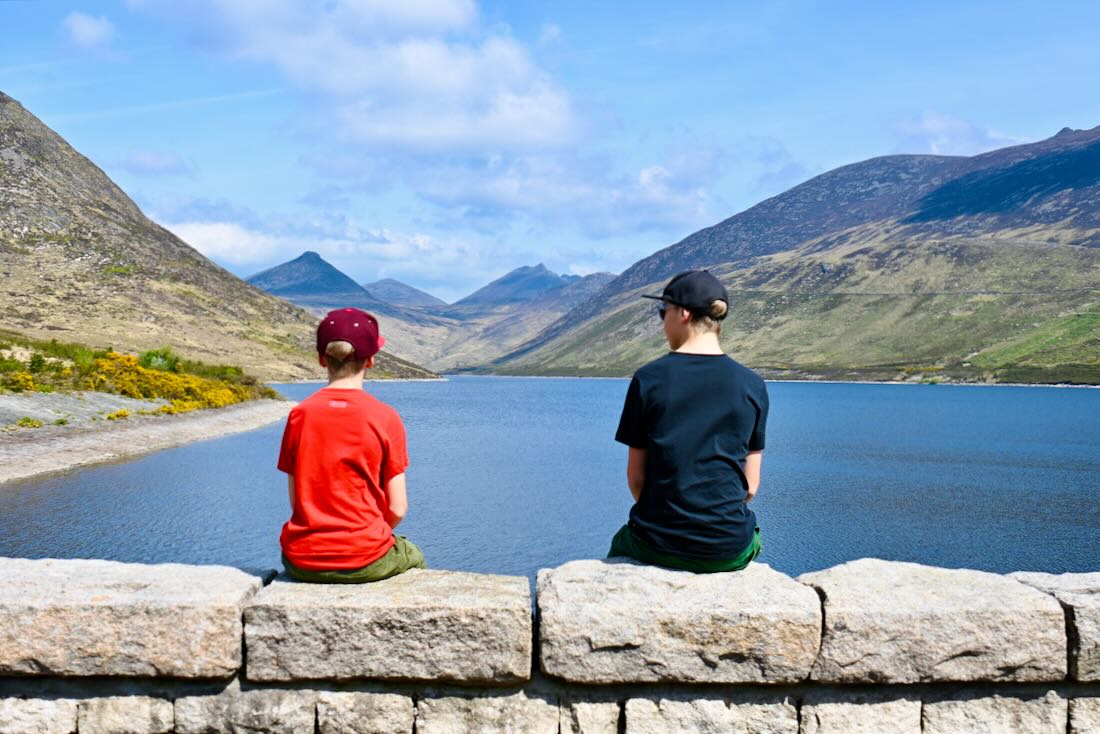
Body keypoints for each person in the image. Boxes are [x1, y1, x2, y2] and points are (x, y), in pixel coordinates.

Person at [609, 270, 768, 572]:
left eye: (662, 312)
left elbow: (636, 480)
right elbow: (750, 487)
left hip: (656, 543)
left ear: (682, 313)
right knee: (753, 540)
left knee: (620, 547)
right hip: (729, 547)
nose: (662, 322)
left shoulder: (649, 379)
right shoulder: (753, 385)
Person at [276, 307, 426, 583]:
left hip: (302, 559)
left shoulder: (300, 415)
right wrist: (368, 535)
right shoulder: (385, 417)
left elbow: (297, 501)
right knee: (413, 554)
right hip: (365, 558)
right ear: (370, 361)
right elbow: (397, 509)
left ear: (322, 359)